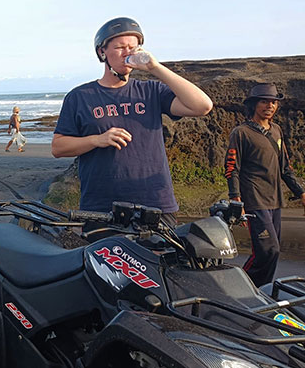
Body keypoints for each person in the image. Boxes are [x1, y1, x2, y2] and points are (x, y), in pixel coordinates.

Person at [51, 17, 212, 228]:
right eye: (120, 47)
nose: (128, 52)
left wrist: (155, 67)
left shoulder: (152, 91)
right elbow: (58, 147)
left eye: (133, 47)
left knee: (161, 261)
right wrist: (97, 140)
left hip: (155, 204)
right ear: (102, 52)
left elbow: (202, 106)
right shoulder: (80, 96)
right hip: (101, 207)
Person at [225, 83, 305, 286]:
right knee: (268, 250)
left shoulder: (277, 131)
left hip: (275, 199)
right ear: (253, 104)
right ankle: (239, 287)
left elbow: (285, 167)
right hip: (254, 200)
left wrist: (301, 192)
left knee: (271, 251)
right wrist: (236, 200)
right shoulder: (241, 133)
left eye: (273, 102)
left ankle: (261, 290)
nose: (270, 105)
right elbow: (232, 168)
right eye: (264, 101)